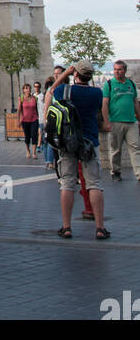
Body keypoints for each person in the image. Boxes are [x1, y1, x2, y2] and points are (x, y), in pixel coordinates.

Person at [52, 61, 111, 240]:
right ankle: (100, 227)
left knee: (67, 184)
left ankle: (67, 227)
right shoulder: (96, 93)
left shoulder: (65, 91)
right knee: (94, 184)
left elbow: (51, 90)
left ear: (75, 73)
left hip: (68, 142)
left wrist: (65, 74)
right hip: (89, 141)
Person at [102, 59, 140, 181]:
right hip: (115, 121)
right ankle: (115, 171)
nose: (117, 72)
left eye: (119, 69)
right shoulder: (109, 84)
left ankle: (139, 173)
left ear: (125, 70)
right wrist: (106, 121)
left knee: (135, 148)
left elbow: (135, 102)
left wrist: (139, 118)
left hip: (131, 121)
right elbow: (105, 104)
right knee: (115, 149)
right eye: (115, 69)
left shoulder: (131, 84)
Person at [18, 83, 39, 159]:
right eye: (26, 88)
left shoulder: (34, 98)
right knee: (27, 137)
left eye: (29, 88)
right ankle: (28, 151)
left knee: (34, 135)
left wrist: (39, 118)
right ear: (23, 90)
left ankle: (34, 153)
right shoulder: (21, 98)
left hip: (34, 119)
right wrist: (19, 120)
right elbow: (19, 110)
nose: (28, 90)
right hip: (25, 120)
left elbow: (37, 109)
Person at [34, 81, 46, 156]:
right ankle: (39, 144)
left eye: (38, 86)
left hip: (41, 116)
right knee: (37, 132)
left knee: (40, 131)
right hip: (35, 116)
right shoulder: (33, 96)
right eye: (35, 86)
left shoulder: (42, 95)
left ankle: (38, 145)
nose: (36, 88)